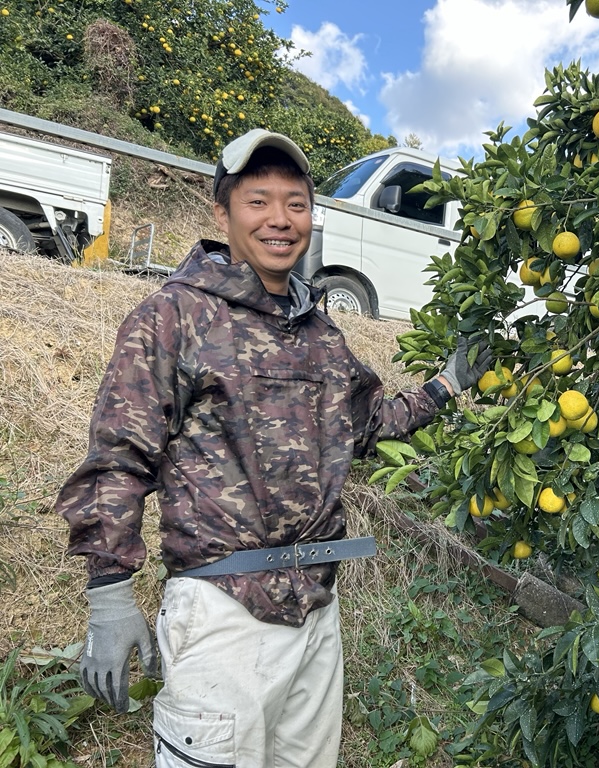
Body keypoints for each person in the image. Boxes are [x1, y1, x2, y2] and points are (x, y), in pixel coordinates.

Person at [56, 128, 492, 767]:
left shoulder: (321, 333)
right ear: (222, 213)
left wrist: (445, 386)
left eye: (296, 203)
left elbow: (368, 424)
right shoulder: (175, 316)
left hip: (316, 607)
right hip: (221, 611)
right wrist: (110, 592)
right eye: (258, 201)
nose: (280, 219)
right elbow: (120, 454)